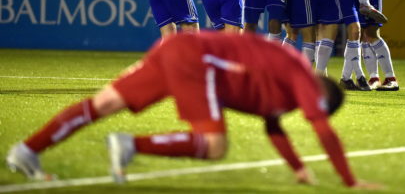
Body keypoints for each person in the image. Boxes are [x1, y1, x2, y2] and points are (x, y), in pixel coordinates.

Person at [5, 32, 379, 190]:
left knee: (101, 105)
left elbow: (273, 126)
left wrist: (300, 170)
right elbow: (322, 130)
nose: (308, 112)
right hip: (198, 61)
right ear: (320, 96)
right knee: (214, 144)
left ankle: (27, 151)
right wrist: (350, 181)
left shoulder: (280, 92)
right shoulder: (301, 73)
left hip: (178, 49)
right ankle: (130, 145)